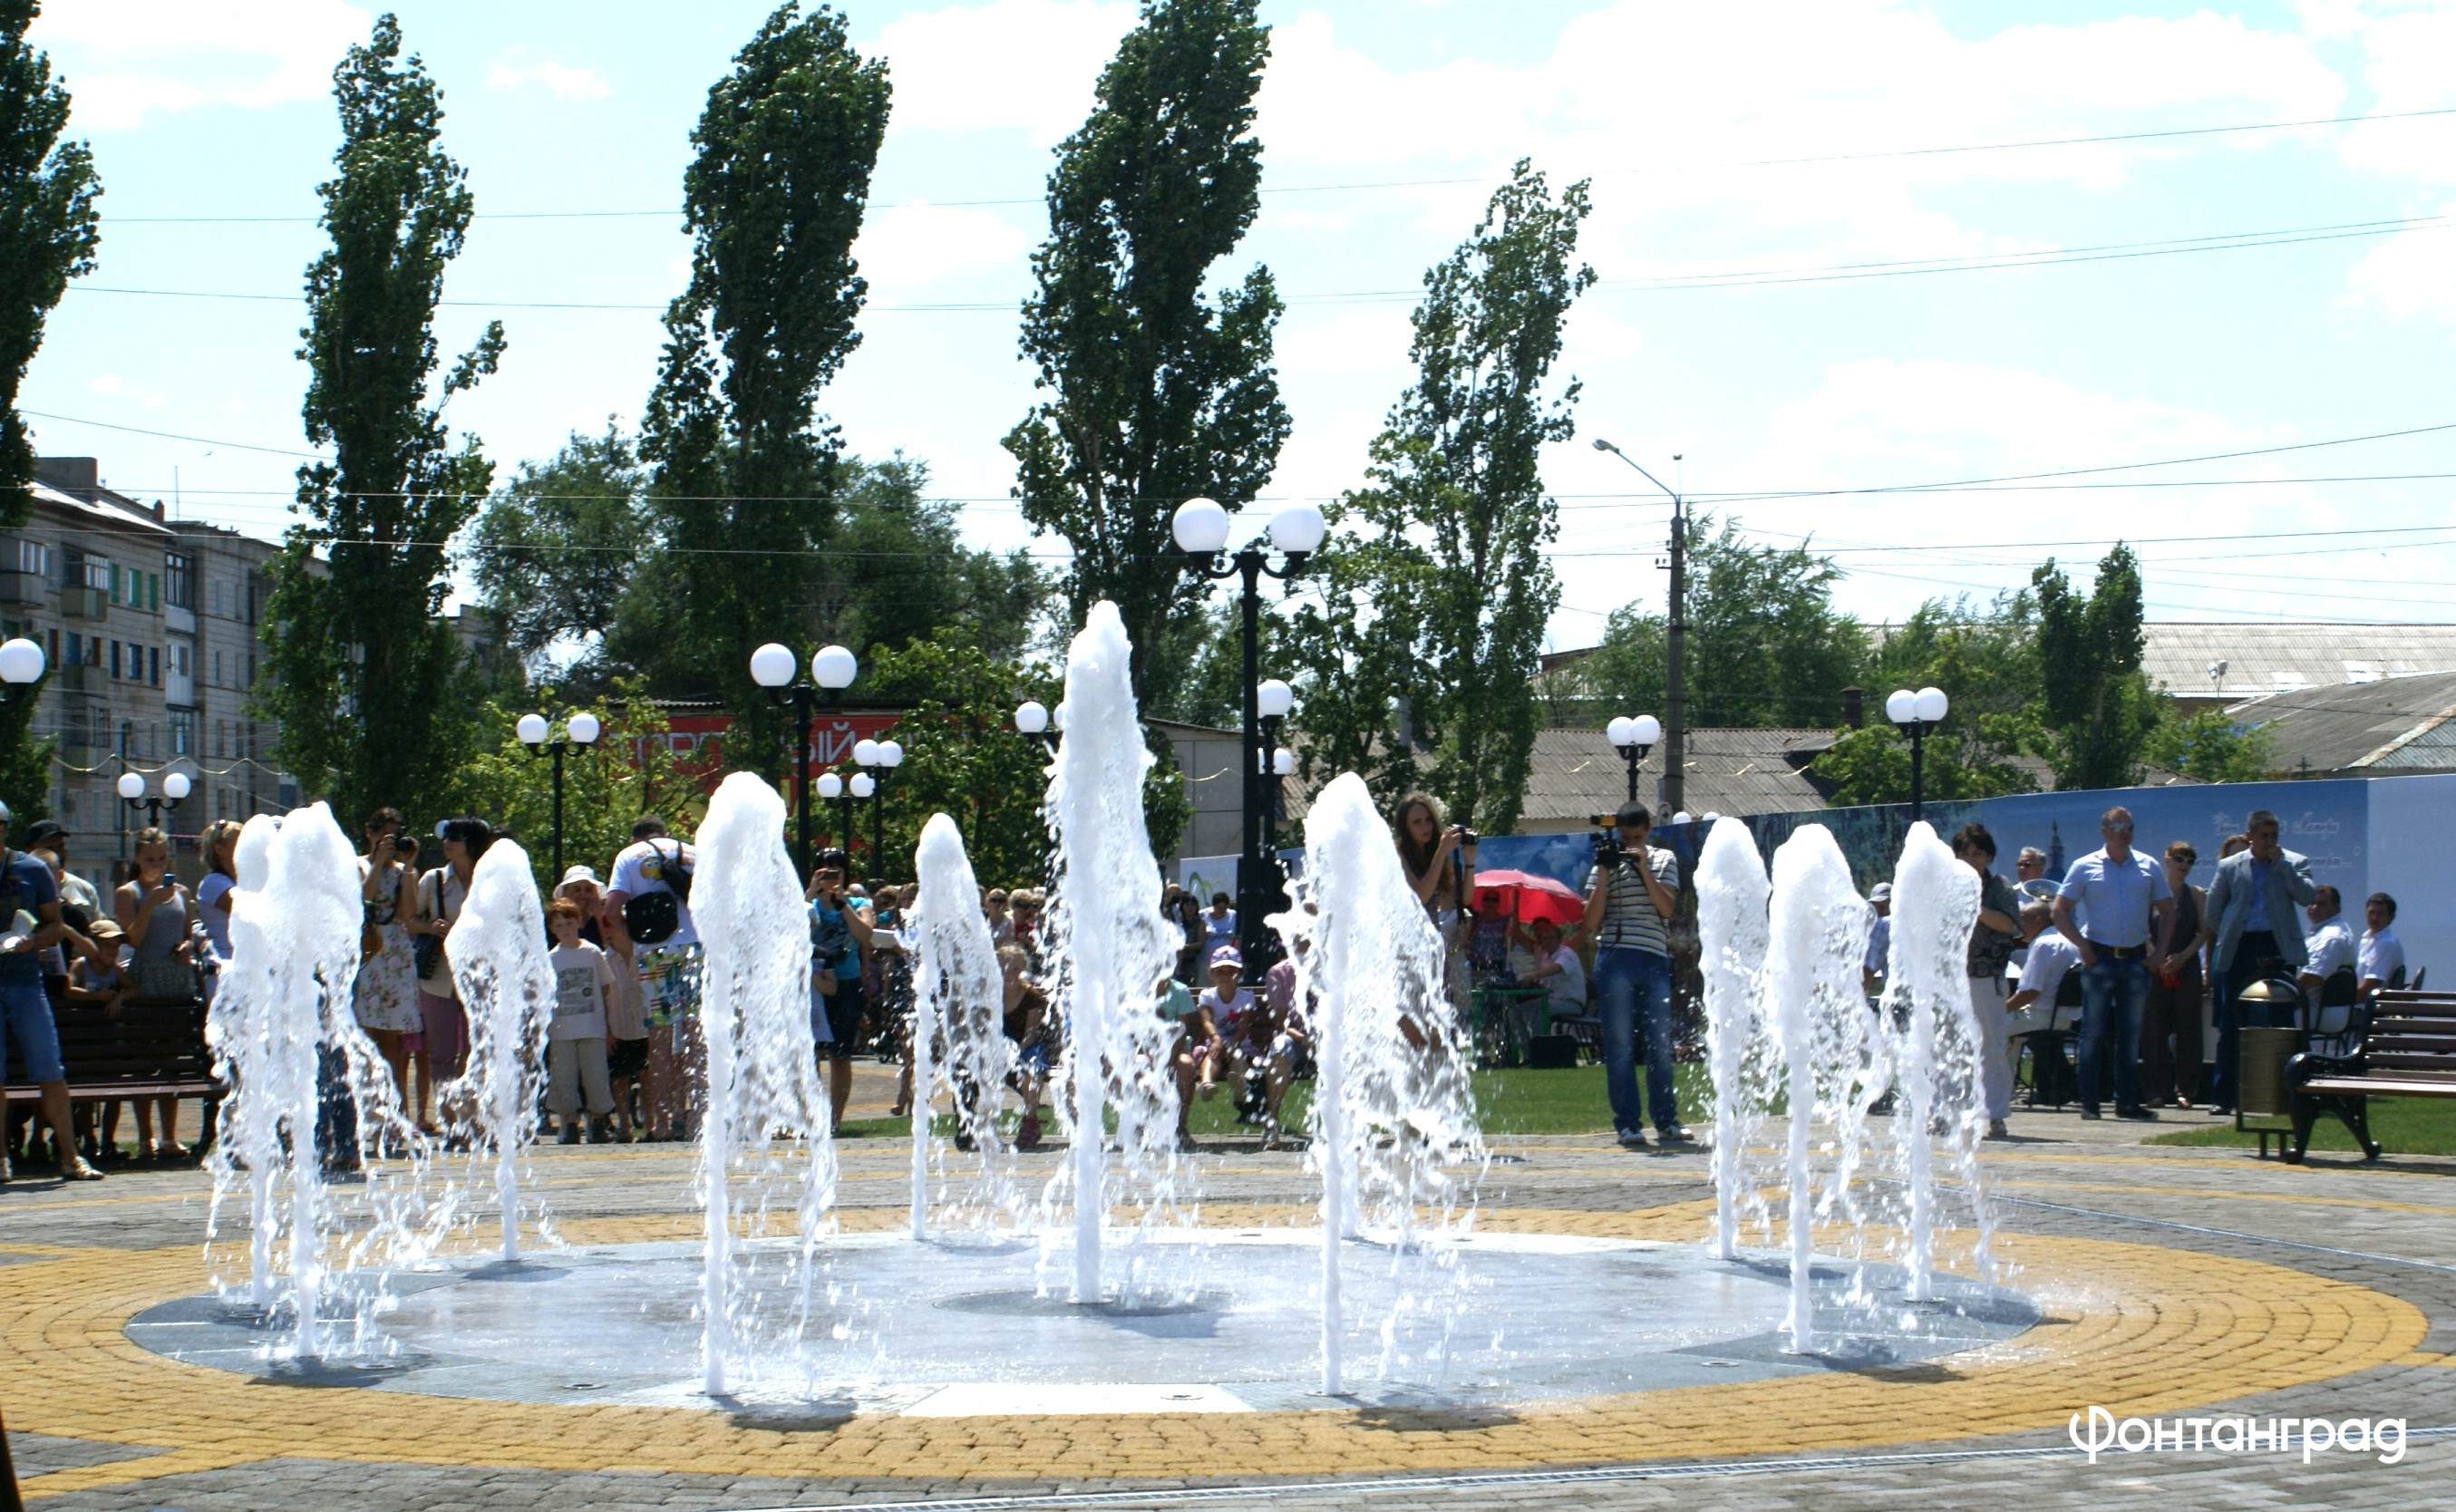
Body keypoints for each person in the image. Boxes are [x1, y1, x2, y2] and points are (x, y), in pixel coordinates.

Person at [2052, 805, 2173, 1121]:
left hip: (2135, 959)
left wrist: (2160, 952)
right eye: (2119, 827)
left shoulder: (2147, 866)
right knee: (2092, 1032)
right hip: (2099, 957)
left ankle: (2127, 1101)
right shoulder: (2084, 866)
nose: (2126, 833)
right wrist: (2081, 946)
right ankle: (2089, 1101)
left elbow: (2168, 909)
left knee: (2131, 1035)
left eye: (2130, 826)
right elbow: (2060, 909)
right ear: (2104, 831)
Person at [0, 800, 96, 1183]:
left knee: (50, 1070)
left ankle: (71, 1158)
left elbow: (56, 927)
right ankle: (1, 1160)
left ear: (4, 829)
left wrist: (30, 941)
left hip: (25, 980)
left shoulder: (33, 869)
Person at [1580, 801, 1687, 1148]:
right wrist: (1606, 872)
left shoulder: (1663, 860)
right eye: (1625, 838)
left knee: (1659, 1045)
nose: (1630, 845)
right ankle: (1627, 1123)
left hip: (1653, 958)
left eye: (1637, 838)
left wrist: (1643, 869)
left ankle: (1666, 1120)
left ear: (1649, 830)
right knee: (1620, 1046)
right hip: (1614, 958)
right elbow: (1591, 921)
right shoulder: (1605, 864)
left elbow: (1667, 907)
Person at [2198, 809, 2317, 1114]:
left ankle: (2290, 1093)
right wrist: (2230, 929)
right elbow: (2213, 910)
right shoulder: (2230, 866)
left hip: (2276, 948)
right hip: (2240, 948)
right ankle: (2224, 1098)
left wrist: (2282, 866)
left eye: (2274, 836)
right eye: (2263, 836)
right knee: (2232, 1023)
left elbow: (2306, 897)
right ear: (2250, 836)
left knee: (2281, 1020)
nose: (2269, 842)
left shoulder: (2294, 861)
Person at [605, 814, 701, 1142]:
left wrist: (631, 937)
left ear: (637, 838)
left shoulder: (628, 857)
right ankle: (696, 1119)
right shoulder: (691, 852)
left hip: (655, 952)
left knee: (659, 1039)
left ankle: (660, 1123)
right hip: (694, 949)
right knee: (695, 1035)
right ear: (665, 834)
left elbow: (611, 909)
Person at [114, 826, 196, 1159]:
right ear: (137, 858)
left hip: (175, 977)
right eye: (149, 858)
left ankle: (169, 1136)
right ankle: (146, 1138)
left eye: (162, 858)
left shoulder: (181, 892)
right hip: (145, 976)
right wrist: (149, 902)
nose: (156, 864)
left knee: (170, 1059)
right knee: (143, 1062)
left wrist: (187, 946)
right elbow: (132, 939)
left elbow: (189, 933)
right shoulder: (128, 892)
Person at [411, 816, 490, 1133]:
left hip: (479, 977)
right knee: (441, 1054)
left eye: (455, 837)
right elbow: (411, 920)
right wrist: (430, 927)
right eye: (446, 837)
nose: (447, 843)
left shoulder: (489, 881)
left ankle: (472, 1117)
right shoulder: (432, 880)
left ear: (471, 843)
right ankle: (449, 1120)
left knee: (476, 1051)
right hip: (438, 977)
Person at [1952, 824, 2024, 1140]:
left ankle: (1995, 1116)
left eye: (1977, 853)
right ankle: (1947, 1113)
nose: (1971, 859)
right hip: (1950, 978)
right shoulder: (1945, 886)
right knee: (1948, 1047)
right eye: (1965, 854)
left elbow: (2010, 925)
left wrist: (1976, 908)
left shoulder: (1999, 887)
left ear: (1989, 855)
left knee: (1991, 1047)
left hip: (1985, 978)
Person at [352, 807, 422, 1110]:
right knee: (367, 1036)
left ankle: (398, 1113)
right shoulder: (355, 865)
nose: (389, 841)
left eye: (395, 835)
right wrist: (378, 862)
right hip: (368, 951)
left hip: (395, 955)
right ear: (370, 833)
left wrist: (407, 866)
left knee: (394, 1041)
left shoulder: (404, 871)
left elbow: (407, 915)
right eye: (384, 834)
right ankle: (370, 1110)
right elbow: (361, 900)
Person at [807, 848, 875, 1134]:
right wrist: (811, 891)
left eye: (837, 871)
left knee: (840, 1054)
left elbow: (865, 934)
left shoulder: (859, 902)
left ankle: (834, 1120)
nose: (832, 876)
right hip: (813, 983)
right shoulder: (809, 902)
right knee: (809, 1053)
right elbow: (787, 926)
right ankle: (809, 1117)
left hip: (846, 983)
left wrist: (841, 904)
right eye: (826, 871)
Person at [544, 898, 618, 1144]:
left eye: (568, 923)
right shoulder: (551, 959)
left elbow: (606, 987)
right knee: (564, 1077)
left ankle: (597, 1120)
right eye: (558, 925)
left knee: (595, 1075)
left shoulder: (592, 953)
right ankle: (569, 1121)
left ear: (578, 922)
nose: (565, 929)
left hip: (592, 1026)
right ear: (553, 929)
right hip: (561, 1030)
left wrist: (608, 1024)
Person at [2141, 840, 2207, 1110]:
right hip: (2154, 966)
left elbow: (2203, 932)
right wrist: (2156, 955)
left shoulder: (2197, 895)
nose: (2184, 865)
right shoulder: (2150, 893)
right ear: (2166, 860)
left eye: (2190, 861)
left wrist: (2182, 957)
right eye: (2179, 859)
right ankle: (2157, 1090)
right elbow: (2143, 929)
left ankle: (2186, 1090)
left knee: (2188, 1029)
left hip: (2185, 965)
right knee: (2154, 1029)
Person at [1001, 945, 1054, 1151]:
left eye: (1015, 969)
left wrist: (1015, 1053)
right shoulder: (993, 995)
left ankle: (1030, 1121)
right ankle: (979, 1126)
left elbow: (1031, 1033)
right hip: (1000, 1048)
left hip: (1027, 1048)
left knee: (1030, 1073)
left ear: (1022, 969)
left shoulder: (1032, 997)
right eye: (1004, 968)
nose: (1009, 974)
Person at [1159, 963, 1207, 1149]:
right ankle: (1138, 1126)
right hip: (1148, 1050)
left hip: (1176, 1049)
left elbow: (1181, 1029)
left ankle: (1180, 1124)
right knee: (1137, 1066)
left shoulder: (1180, 991)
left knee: (1186, 1066)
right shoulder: (1140, 989)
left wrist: (1170, 1059)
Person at [2297, 885, 2358, 1005]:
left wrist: (2282, 995)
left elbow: (2312, 976)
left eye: (2322, 904)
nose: (2314, 908)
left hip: (2308, 1010)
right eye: (2311, 903)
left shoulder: (2331, 937)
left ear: (2336, 908)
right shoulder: (2322, 932)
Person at [2357, 893, 2404, 1002]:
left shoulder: (2387, 943)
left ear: (2391, 917)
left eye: (2380, 913)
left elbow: (2369, 987)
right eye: (2371, 912)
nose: (2374, 918)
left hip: (2367, 1008)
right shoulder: (2366, 939)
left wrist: (2343, 1001)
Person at [1164, 885, 1207, 986]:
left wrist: (1184, 946)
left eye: (1193, 905)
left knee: (1190, 988)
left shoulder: (1199, 922)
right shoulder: (1178, 921)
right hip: (1176, 960)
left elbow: (1200, 943)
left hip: (1191, 961)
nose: (1190, 908)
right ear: (1182, 907)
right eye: (1187, 905)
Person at [1861, 882, 1894, 997]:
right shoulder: (1915, 926)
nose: (1878, 913)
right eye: (1874, 909)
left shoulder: (1883, 924)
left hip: (1901, 1004)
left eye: (1883, 907)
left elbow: (1867, 971)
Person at [1203, 892, 1238, 956]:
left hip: (1226, 957)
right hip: (1207, 957)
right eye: (1219, 908)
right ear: (1214, 906)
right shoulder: (1203, 915)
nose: (1222, 910)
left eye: (1224, 908)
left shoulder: (1233, 916)